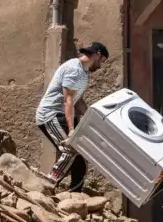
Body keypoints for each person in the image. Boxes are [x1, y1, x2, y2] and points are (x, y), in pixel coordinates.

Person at [35, 42, 109, 192]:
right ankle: (48, 184)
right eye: (102, 61)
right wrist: (71, 130)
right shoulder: (74, 69)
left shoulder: (83, 72)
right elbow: (68, 101)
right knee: (70, 149)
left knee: (80, 157)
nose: (101, 66)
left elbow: (77, 100)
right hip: (51, 115)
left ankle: (75, 194)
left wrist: (91, 118)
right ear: (97, 54)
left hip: (63, 115)